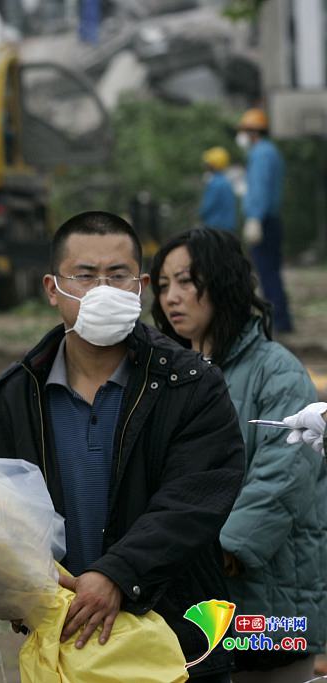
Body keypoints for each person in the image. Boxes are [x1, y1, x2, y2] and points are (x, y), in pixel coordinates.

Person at [0, 211, 245, 683]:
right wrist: (23, 584)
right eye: (85, 276)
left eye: (117, 277)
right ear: (53, 289)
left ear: (140, 286)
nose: (102, 291)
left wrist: (118, 574)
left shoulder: (191, 385)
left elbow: (194, 498)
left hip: (177, 642)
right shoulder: (9, 400)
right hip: (64, 641)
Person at [151, 228, 327, 682]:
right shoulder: (166, 376)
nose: (173, 297)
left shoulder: (277, 371)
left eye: (187, 281)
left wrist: (220, 551)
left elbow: (282, 478)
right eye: (164, 284)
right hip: (192, 596)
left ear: (223, 282)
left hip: (269, 602)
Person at [237, 107, 293, 332]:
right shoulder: (271, 151)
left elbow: (259, 188)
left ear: (252, 132)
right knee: (272, 271)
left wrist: (254, 218)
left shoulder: (260, 153)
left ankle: (278, 321)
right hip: (272, 219)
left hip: (264, 220)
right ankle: (282, 319)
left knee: (267, 271)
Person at [199, 146, 236, 231]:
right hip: (228, 228)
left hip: (215, 227)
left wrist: (200, 215)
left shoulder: (214, 183)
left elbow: (207, 207)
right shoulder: (226, 182)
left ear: (213, 164)